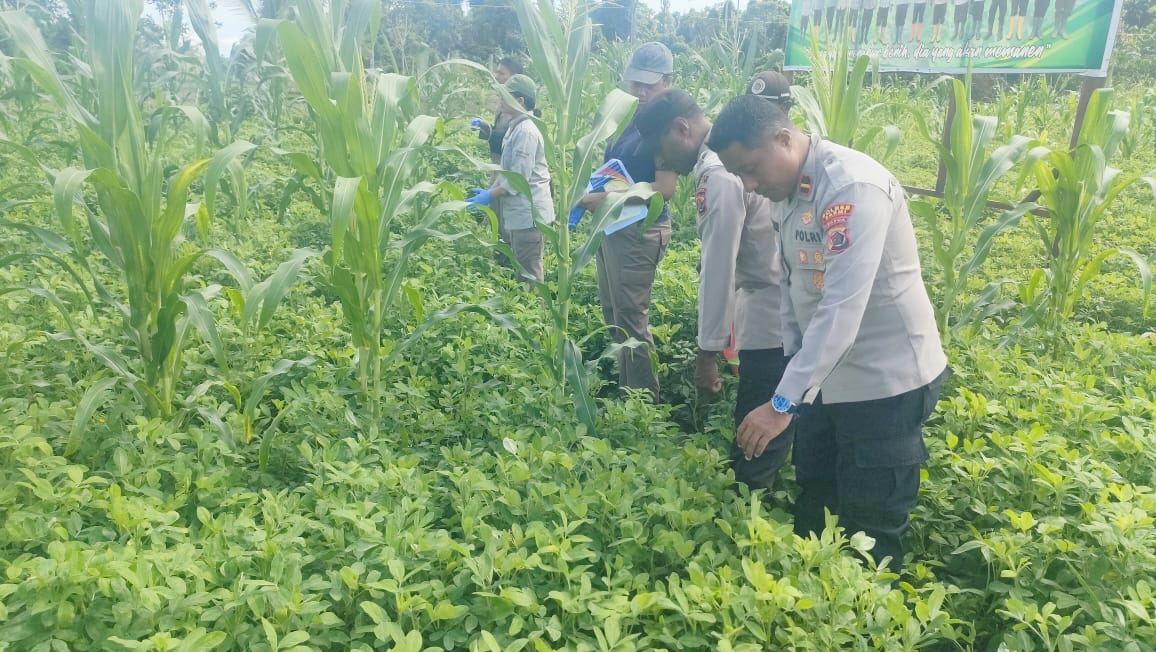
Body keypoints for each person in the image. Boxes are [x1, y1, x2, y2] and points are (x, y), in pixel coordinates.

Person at [707, 95, 950, 574]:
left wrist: (781, 405)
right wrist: (792, 386)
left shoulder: (850, 187)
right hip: (823, 383)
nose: (751, 185)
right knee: (814, 503)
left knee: (870, 529)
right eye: (741, 176)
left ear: (783, 138)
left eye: (753, 169)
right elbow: (794, 291)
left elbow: (842, 308)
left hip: (886, 384)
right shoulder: (787, 193)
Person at [635, 88, 789, 491]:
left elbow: (719, 267)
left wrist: (708, 355)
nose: (662, 162)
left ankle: (749, 512)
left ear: (681, 127)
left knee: (756, 443)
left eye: (661, 148)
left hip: (774, 318)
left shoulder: (717, 173)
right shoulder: (727, 160)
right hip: (770, 307)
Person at [576, 42, 677, 400]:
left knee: (632, 317)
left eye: (650, 84)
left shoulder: (668, 127)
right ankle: (626, 387)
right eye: (636, 82)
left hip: (639, 230)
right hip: (613, 225)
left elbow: (664, 189)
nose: (641, 90)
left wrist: (607, 198)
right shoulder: (627, 116)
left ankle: (643, 402)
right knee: (613, 312)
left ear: (668, 81)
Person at [467, 75, 555, 285]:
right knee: (522, 268)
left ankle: (536, 315)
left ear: (520, 101)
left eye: (505, 95)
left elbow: (518, 179)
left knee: (529, 273)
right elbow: (506, 170)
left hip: (530, 215)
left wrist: (490, 195)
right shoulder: (516, 126)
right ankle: (528, 313)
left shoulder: (526, 132)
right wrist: (491, 189)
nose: (500, 99)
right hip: (520, 213)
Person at [471, 57, 524, 165]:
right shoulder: (504, 102)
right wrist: (483, 125)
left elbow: (513, 141)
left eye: (501, 73)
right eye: (496, 72)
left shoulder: (519, 106)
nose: (496, 77)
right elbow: (500, 132)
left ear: (515, 78)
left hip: (512, 171)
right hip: (499, 165)